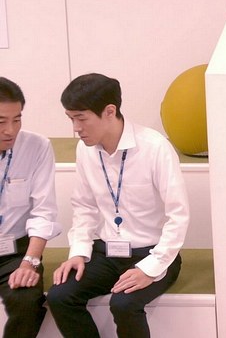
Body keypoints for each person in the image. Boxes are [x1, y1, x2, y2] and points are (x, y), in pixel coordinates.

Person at [47, 73, 190, 338]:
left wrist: (150, 267)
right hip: (105, 252)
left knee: (123, 304)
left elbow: (178, 215)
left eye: (81, 118)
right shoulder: (85, 150)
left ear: (110, 111)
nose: (76, 128)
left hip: (152, 252)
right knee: (59, 296)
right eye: (71, 119)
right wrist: (78, 252)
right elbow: (84, 207)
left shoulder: (155, 148)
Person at [0, 77, 61, 338]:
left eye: (17, 119)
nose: (10, 130)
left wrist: (30, 262)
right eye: (1, 122)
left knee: (26, 302)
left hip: (17, 251)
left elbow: (43, 211)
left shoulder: (37, 146)